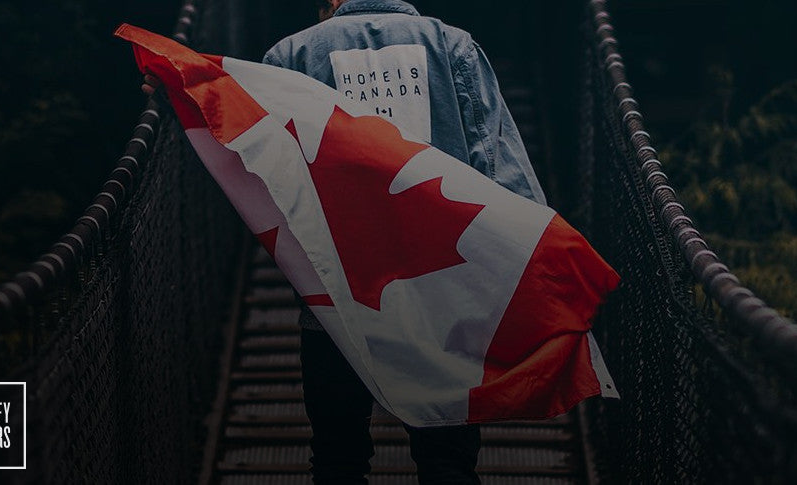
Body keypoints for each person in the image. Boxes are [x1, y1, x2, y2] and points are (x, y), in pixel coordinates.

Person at [144, 1, 545, 482]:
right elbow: (498, 167)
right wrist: (533, 271)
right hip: (443, 295)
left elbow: (247, 155)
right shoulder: (452, 45)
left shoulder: (290, 55)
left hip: (335, 298)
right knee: (448, 461)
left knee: (337, 457)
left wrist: (178, 96)